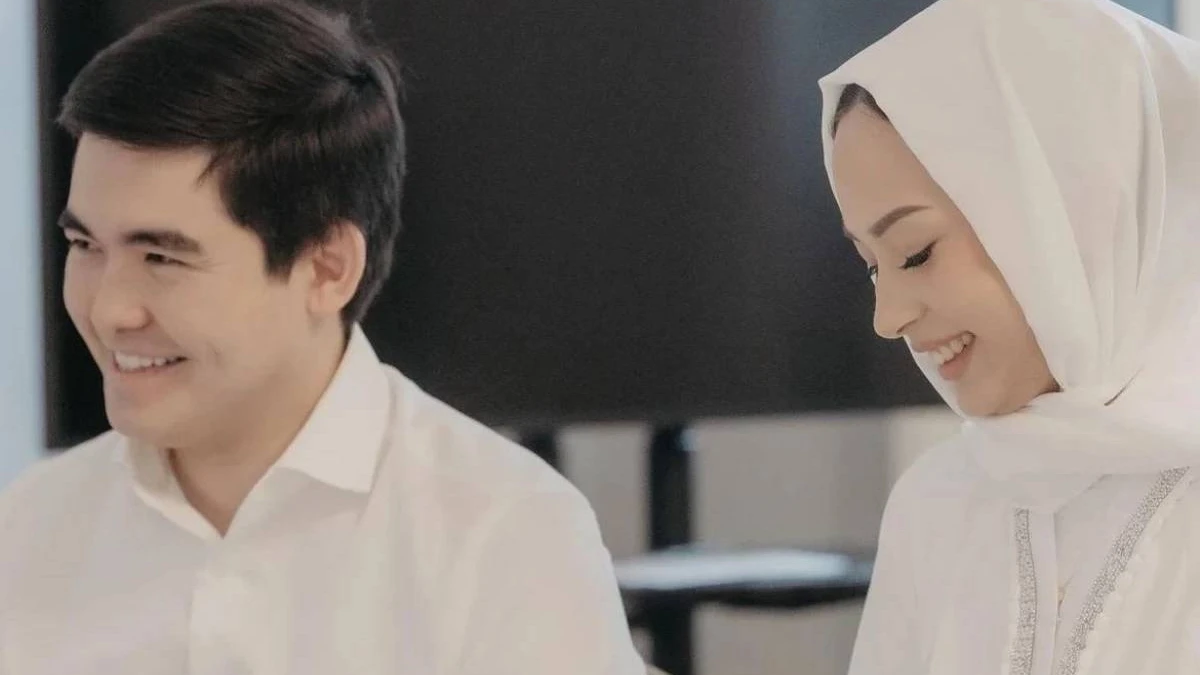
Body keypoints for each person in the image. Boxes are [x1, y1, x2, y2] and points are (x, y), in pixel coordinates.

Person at [0, 2, 647, 673]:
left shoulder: (502, 534)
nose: (108, 309)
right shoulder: (30, 526)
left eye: (161, 257)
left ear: (327, 268)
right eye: (85, 244)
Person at [819, 0, 1200, 673]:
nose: (888, 317)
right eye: (872, 266)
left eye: (915, 252)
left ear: (1073, 208)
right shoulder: (936, 505)